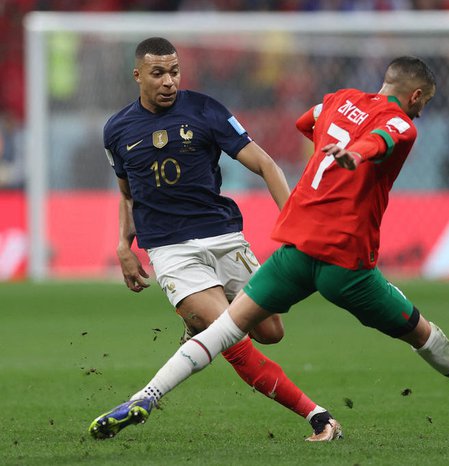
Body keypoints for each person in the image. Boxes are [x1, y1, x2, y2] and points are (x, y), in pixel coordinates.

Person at [91, 56, 449, 439]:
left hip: (295, 251)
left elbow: (307, 121)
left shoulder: (336, 100)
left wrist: (334, 141)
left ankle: (144, 398)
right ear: (416, 96)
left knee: (228, 333)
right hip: (346, 265)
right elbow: (382, 139)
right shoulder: (403, 123)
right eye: (423, 104)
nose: (420, 112)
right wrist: (356, 153)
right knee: (422, 333)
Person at [88, 37, 341, 442]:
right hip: (171, 250)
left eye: (174, 71)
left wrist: (298, 224)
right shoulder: (117, 130)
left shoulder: (205, 110)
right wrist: (124, 245)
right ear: (138, 76)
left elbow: (265, 162)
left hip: (224, 237)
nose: (169, 81)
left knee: (271, 332)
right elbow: (127, 193)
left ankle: (195, 329)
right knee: (229, 334)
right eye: (158, 73)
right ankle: (318, 416)